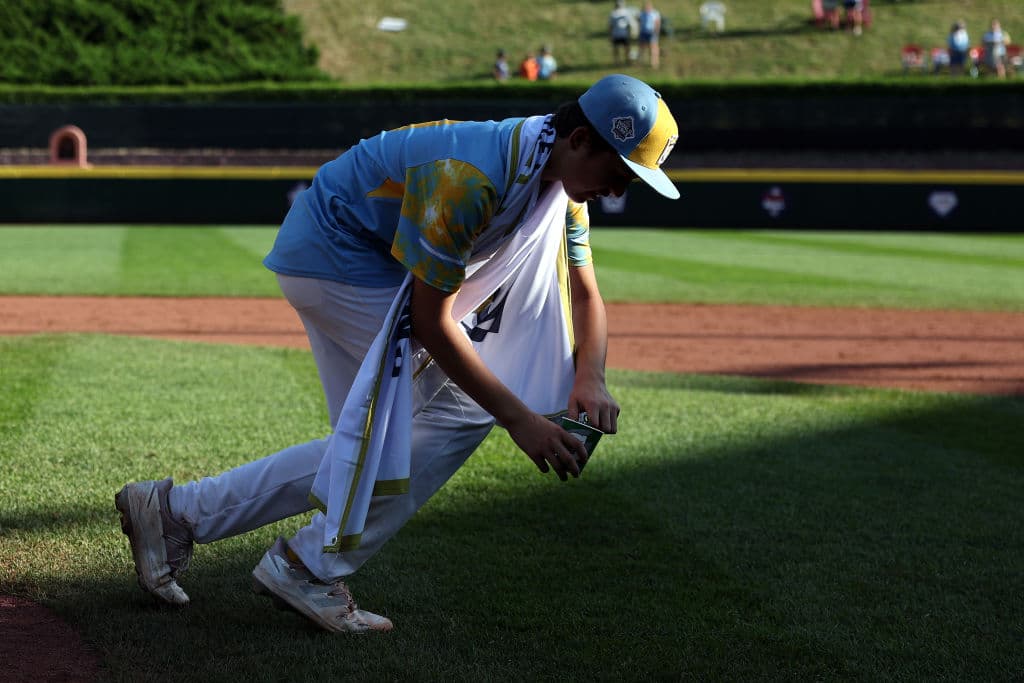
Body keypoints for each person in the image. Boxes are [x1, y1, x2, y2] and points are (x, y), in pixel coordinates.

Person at [114, 74, 681, 634]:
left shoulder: (556, 181)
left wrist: (593, 377)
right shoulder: (471, 177)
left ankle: (176, 513)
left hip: (363, 256)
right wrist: (521, 421)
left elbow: (585, 291)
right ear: (580, 139)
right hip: (336, 253)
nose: (619, 191)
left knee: (377, 443)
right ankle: (304, 565)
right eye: (620, 172)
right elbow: (433, 323)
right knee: (461, 408)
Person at [609, 0, 638, 65]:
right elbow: (611, 25)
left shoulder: (625, 12)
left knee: (626, 48)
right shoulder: (613, 13)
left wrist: (631, 32)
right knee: (617, 49)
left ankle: (628, 60)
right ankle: (617, 61)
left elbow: (630, 24)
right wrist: (610, 34)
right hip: (616, 34)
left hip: (624, 34)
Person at [637, 1, 662, 68]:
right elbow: (639, 22)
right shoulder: (642, 14)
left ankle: (654, 63)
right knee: (642, 48)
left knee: (653, 48)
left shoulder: (655, 13)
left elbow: (657, 23)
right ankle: (640, 63)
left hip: (652, 32)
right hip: (643, 32)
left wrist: (656, 32)